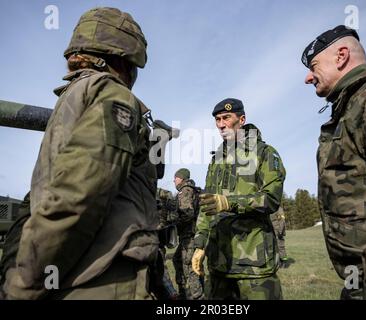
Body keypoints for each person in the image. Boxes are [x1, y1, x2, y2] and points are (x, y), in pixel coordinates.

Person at [2, 7, 161, 300]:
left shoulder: (74, 97)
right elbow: (78, 195)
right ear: (126, 58)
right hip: (99, 279)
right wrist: (23, 286)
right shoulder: (113, 94)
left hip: (67, 274)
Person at [302, 25, 366, 299]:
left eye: (314, 66)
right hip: (363, 281)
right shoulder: (352, 107)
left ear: (341, 56)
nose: (308, 78)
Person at [192, 98, 286, 300]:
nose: (221, 124)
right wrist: (200, 243)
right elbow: (206, 205)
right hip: (219, 265)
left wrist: (229, 202)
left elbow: (271, 198)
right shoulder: (216, 160)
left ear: (241, 119)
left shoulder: (265, 153)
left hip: (254, 266)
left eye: (226, 117)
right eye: (217, 119)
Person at [172, 168, 204, 300]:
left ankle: (196, 296)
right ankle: (184, 293)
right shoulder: (192, 190)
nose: (174, 180)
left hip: (189, 236)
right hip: (190, 236)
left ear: (182, 178)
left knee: (190, 267)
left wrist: (173, 219)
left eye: (176, 177)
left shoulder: (185, 190)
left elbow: (187, 213)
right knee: (177, 260)